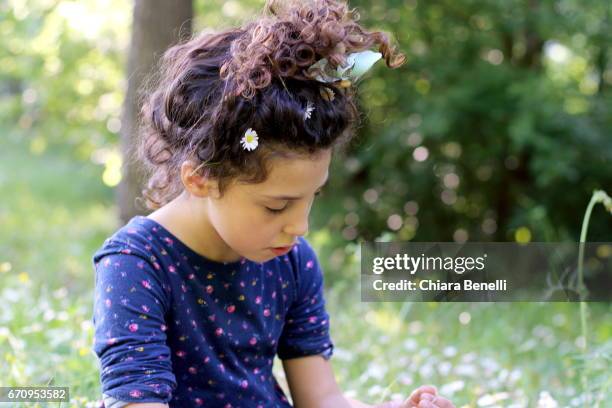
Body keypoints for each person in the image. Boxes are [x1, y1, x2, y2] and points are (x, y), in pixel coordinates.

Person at [92, 1, 454, 407]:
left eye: (310, 198)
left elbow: (321, 399)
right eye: (277, 207)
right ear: (201, 177)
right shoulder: (137, 264)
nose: (299, 226)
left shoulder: (291, 262)